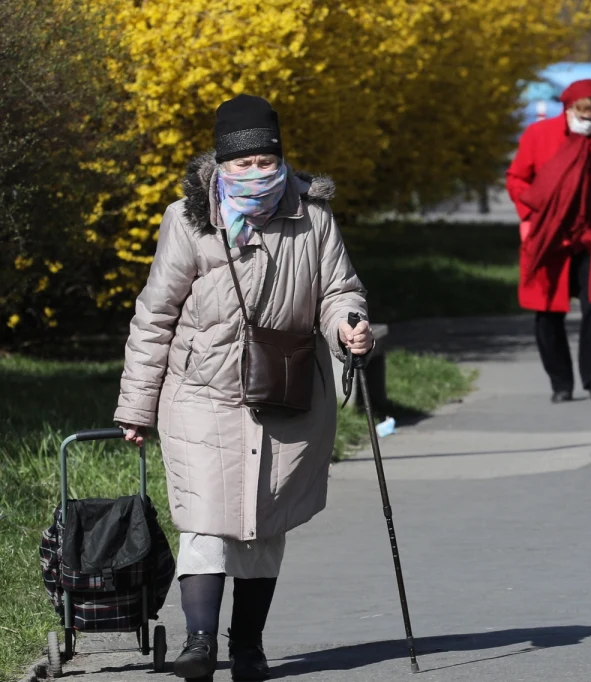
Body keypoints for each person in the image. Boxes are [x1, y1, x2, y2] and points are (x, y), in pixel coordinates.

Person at [114, 95, 373, 681]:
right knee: (206, 521)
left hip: (285, 392)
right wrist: (136, 406)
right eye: (243, 163)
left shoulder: (313, 218)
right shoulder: (187, 223)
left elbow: (338, 290)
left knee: (263, 527)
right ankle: (201, 645)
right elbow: (155, 316)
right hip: (200, 395)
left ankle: (248, 645)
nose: (256, 173)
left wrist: (349, 325)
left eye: (266, 161)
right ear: (221, 165)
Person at [506, 79, 591, 403]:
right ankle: (560, 383)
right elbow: (518, 178)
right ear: (569, 108)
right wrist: (528, 216)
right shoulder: (539, 135)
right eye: (583, 113)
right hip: (548, 233)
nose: (589, 120)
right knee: (547, 310)